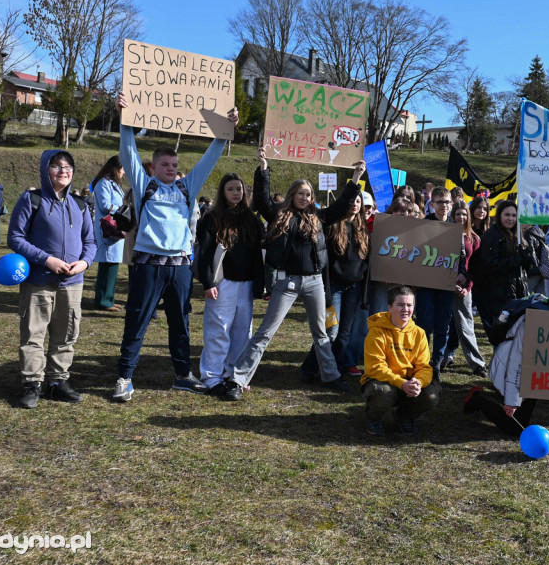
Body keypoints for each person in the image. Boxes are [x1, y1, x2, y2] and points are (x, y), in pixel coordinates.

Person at [111, 93, 238, 402]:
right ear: (153, 167)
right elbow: (128, 152)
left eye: (175, 164)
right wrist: (124, 119)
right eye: (165, 164)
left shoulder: (187, 187)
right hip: (148, 267)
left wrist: (225, 131)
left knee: (180, 324)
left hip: (179, 268)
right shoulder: (146, 186)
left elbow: (210, 160)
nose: (171, 168)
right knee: (137, 321)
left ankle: (182, 375)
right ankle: (125, 377)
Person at [224, 148, 366, 400]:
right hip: (287, 281)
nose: (304, 197)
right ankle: (237, 379)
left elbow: (342, 205)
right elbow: (262, 198)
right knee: (265, 333)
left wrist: (355, 179)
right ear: (293, 195)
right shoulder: (279, 214)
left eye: (308, 194)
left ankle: (330, 376)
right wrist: (264, 167)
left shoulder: (319, 217)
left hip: (314, 282)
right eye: (300, 193)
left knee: (321, 333)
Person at [7, 150, 96, 408]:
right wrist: (47, 260)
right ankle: (31, 383)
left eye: (68, 167)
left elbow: (90, 241)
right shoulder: (31, 199)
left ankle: (57, 382)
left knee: (67, 333)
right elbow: (15, 237)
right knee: (33, 333)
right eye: (56, 166)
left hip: (72, 283)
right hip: (39, 280)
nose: (63, 171)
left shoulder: (80, 204)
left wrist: (84, 262)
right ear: (46, 169)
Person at [463, 279, 549, 443]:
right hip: (518, 368)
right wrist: (512, 401)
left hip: (543, 368)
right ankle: (479, 397)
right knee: (514, 428)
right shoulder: (535, 319)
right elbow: (516, 360)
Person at [196, 172, 264, 396]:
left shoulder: (252, 219)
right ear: (223, 192)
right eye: (231, 189)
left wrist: (259, 284)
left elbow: (257, 255)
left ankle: (234, 374)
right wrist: (207, 282)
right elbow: (204, 253)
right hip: (222, 282)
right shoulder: (212, 217)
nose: (236, 193)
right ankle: (212, 376)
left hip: (245, 283)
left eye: (239, 189)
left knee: (242, 332)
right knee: (218, 330)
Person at [301, 187, 370, 379]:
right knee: (330, 332)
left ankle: (335, 369)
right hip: (335, 288)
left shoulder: (363, 228)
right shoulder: (331, 227)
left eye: (358, 201)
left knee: (344, 334)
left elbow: (366, 261)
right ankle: (309, 369)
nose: (355, 204)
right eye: (352, 200)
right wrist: (327, 289)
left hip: (354, 289)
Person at [360, 285, 441, 436]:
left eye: (409, 305)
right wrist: (401, 383)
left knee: (431, 395)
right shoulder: (377, 332)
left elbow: (424, 366)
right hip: (384, 381)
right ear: (390, 307)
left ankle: (404, 415)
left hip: (408, 382)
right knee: (382, 392)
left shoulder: (419, 333)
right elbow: (375, 367)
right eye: (400, 305)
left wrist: (418, 382)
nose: (405, 309)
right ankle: (373, 418)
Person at [473, 200, 538, 333]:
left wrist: (528, 259)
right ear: (499, 216)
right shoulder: (492, 236)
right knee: (501, 335)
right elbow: (492, 265)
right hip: (498, 295)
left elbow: (526, 268)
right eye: (507, 215)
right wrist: (517, 259)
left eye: (514, 215)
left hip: (518, 293)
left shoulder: (519, 236)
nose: (511, 219)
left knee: (516, 335)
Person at [415, 186, 459, 373]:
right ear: (432, 204)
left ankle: (438, 359)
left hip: (446, 284)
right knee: (424, 323)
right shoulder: (423, 224)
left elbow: (462, 256)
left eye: (447, 202)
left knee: (443, 322)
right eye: (440, 202)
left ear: (452, 204)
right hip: (425, 283)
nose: (444, 205)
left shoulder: (456, 226)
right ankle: (422, 358)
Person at [442, 201, 488, 376]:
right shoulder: (445, 235)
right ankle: (441, 358)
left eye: (464, 214)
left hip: (464, 288)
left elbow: (476, 266)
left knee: (465, 325)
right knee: (442, 325)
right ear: (453, 216)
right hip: (444, 285)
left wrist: (467, 286)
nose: (461, 217)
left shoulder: (474, 238)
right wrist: (450, 281)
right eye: (458, 214)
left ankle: (477, 364)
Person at [90, 155, 127, 311]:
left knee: (113, 265)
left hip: (116, 228)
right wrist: (123, 210)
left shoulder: (113, 184)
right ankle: (103, 301)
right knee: (107, 265)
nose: (124, 172)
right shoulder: (103, 183)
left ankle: (109, 298)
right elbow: (106, 205)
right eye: (123, 169)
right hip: (108, 229)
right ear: (115, 168)